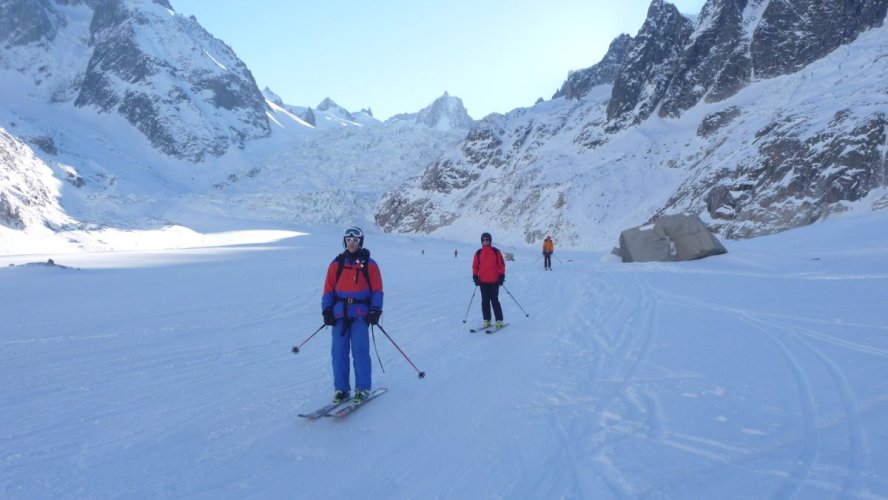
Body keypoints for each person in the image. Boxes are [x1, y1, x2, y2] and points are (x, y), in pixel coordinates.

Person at [321, 227, 384, 404]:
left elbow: (377, 290)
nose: (352, 243)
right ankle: (341, 389)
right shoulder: (336, 264)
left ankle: (362, 388)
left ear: (360, 242)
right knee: (338, 352)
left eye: (355, 240)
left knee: (360, 351)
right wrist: (327, 310)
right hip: (339, 314)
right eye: (349, 239)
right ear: (344, 241)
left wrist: (375, 309)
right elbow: (328, 290)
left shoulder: (370, 265)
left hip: (361, 315)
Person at [472, 232, 505, 329]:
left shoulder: (496, 251)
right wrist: (475, 276)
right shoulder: (478, 253)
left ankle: (499, 320)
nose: (485, 242)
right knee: (485, 301)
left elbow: (501, 265)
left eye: (487, 240)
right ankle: (487, 319)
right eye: (484, 240)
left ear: (490, 241)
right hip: (483, 282)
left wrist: (501, 276)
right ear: (481, 241)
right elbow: (475, 266)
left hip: (494, 281)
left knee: (494, 301)